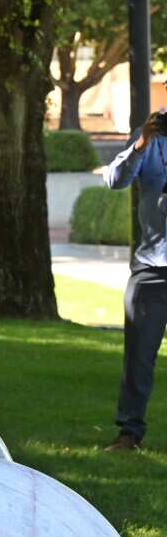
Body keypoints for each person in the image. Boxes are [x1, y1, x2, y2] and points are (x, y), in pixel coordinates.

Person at [104, 110, 167, 451]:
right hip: (152, 267)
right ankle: (129, 432)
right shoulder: (147, 136)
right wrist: (142, 143)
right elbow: (114, 180)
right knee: (139, 356)